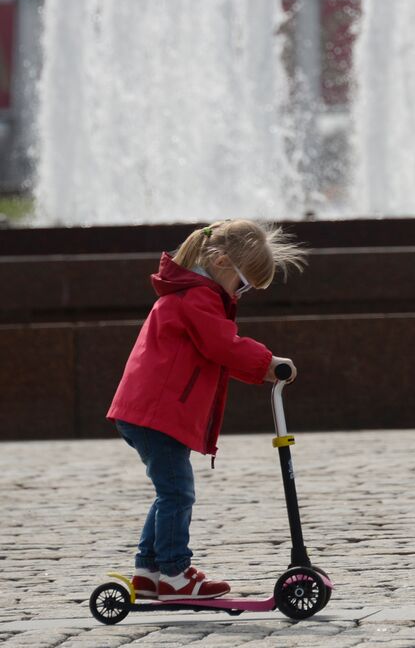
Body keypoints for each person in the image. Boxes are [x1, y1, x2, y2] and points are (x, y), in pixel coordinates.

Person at [106, 219, 307, 601]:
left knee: (169, 491)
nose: (241, 294)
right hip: (157, 414)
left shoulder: (193, 294)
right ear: (220, 262)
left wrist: (262, 370)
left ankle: (148, 572)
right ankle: (174, 574)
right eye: (244, 284)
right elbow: (222, 346)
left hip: (153, 412)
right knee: (177, 494)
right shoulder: (199, 297)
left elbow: (217, 352)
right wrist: (269, 361)